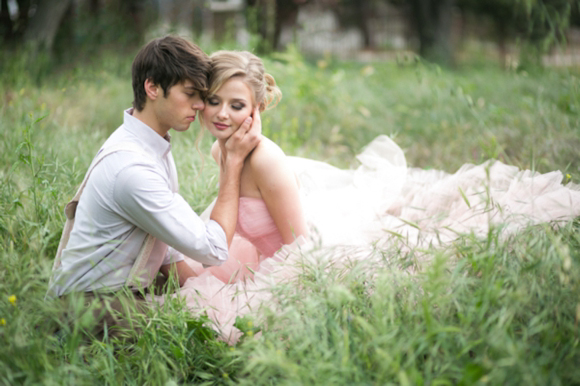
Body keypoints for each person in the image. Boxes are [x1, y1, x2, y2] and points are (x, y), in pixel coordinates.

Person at [155, 49, 580, 344]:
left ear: (257, 109)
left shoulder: (266, 162)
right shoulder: (221, 147)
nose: (222, 114)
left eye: (237, 105)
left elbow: (301, 249)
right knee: (173, 269)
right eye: (214, 102)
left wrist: (266, 292)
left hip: (302, 258)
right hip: (256, 250)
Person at [46, 36, 262, 339]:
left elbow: (165, 247)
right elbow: (213, 249)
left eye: (201, 95)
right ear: (152, 88)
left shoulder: (150, 144)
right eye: (189, 94)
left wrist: (207, 294)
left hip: (125, 288)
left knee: (221, 315)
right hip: (88, 303)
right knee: (196, 338)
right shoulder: (132, 167)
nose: (200, 106)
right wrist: (233, 163)